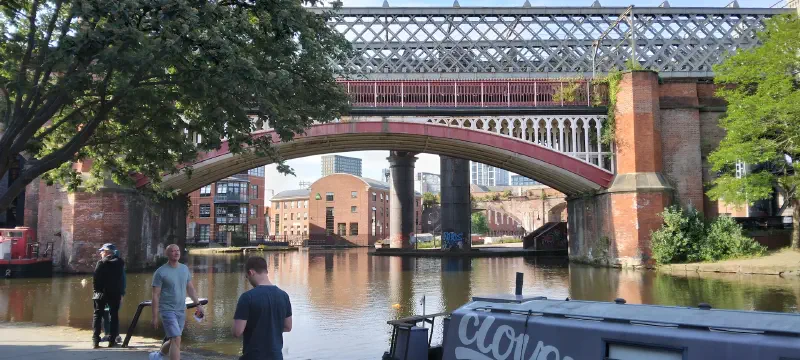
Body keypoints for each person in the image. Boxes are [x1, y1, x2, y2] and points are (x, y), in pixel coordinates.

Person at [232, 256, 292, 360]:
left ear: (251, 272)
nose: (248, 280)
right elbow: (288, 327)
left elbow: (237, 332)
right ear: (266, 271)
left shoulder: (247, 297)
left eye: (247, 277)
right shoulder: (284, 296)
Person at [150, 244, 203, 360]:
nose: (176, 253)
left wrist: (198, 304)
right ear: (167, 254)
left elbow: (190, 289)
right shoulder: (160, 272)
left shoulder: (184, 269)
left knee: (173, 339)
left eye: (177, 250)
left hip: (180, 309)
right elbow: (155, 295)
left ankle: (158, 356)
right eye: (173, 251)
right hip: (167, 310)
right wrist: (154, 316)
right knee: (176, 338)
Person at [92, 243, 126, 349]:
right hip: (114, 293)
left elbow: (95, 278)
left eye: (102, 251)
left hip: (100, 294)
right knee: (114, 316)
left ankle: (95, 340)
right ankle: (112, 341)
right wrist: (121, 293)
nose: (101, 253)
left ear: (106, 252)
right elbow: (120, 280)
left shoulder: (101, 263)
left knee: (97, 316)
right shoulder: (119, 263)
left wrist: (96, 291)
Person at [101, 248, 126, 344]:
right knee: (106, 314)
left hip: (113, 294)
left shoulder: (117, 266)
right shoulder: (104, 264)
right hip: (105, 294)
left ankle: (115, 335)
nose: (101, 253)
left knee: (112, 315)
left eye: (102, 251)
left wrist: (121, 294)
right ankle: (109, 334)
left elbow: (122, 281)